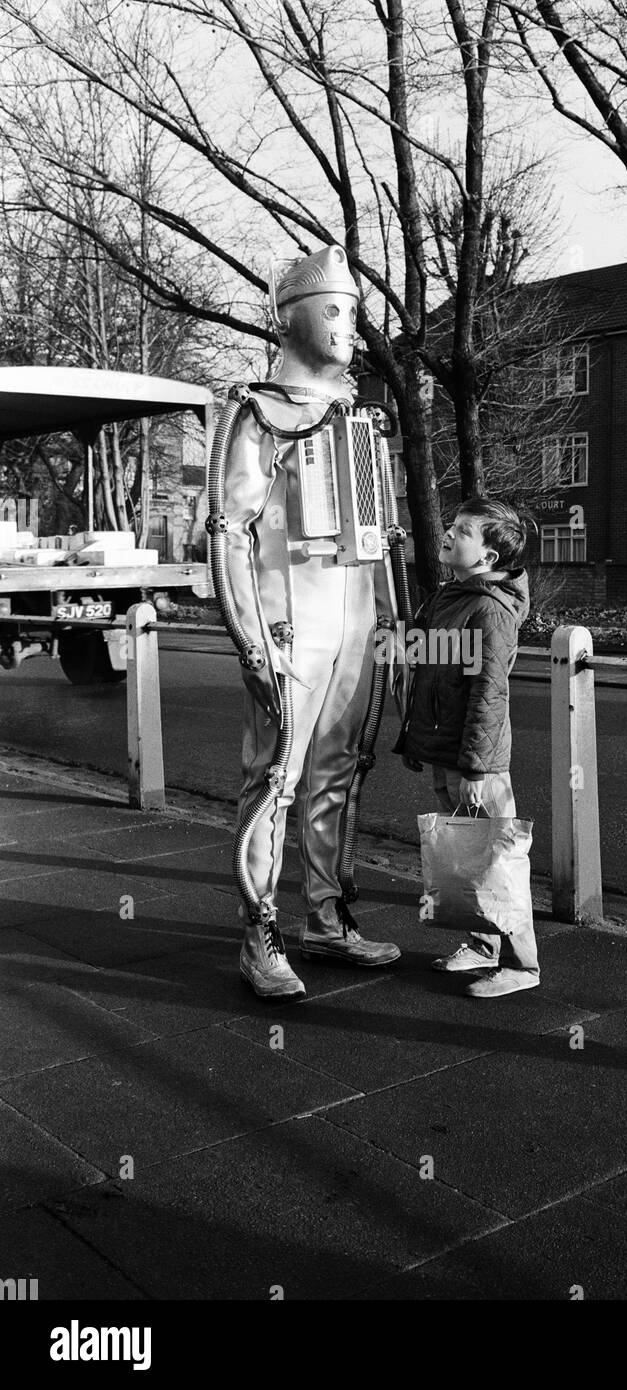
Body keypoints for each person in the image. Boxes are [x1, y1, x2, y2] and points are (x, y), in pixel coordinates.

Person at [211, 244, 401, 1001]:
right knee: (276, 778)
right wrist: (250, 638)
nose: (349, 324)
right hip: (289, 627)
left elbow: (380, 540)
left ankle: (327, 916)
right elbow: (228, 529)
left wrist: (393, 623)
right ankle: (259, 931)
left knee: (338, 773)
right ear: (292, 320)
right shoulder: (256, 410)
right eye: (335, 309)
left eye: (352, 310)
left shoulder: (358, 418)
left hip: (355, 624)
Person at [394, 497, 539, 998]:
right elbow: (424, 665)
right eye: (452, 526)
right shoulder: (449, 597)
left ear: (489, 557)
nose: (449, 534)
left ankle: (522, 965)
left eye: (462, 530)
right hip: (446, 750)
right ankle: (482, 945)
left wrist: (476, 766)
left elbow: (488, 693)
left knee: (497, 854)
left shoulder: (488, 610)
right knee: (469, 852)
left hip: (477, 759)